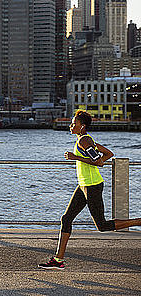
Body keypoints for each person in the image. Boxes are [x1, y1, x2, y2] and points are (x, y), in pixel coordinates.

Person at [38, 110, 141, 270]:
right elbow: (108, 154)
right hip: (84, 185)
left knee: (102, 226)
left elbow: (98, 162)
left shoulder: (84, 141)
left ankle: (139, 221)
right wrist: (84, 158)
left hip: (92, 186)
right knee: (66, 219)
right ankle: (58, 260)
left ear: (82, 126)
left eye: (74, 123)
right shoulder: (85, 140)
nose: (71, 126)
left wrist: (75, 157)